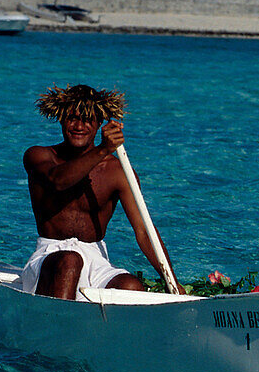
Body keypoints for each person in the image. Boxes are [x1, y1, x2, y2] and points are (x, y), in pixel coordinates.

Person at [20, 84, 179, 299]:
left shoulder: (117, 170)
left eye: (87, 119)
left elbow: (144, 230)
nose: (79, 126)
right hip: (50, 257)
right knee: (70, 261)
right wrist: (103, 148)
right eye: (72, 118)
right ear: (60, 119)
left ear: (99, 124)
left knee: (131, 287)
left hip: (96, 258)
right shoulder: (39, 156)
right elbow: (59, 181)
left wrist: (173, 283)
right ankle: (58, 328)